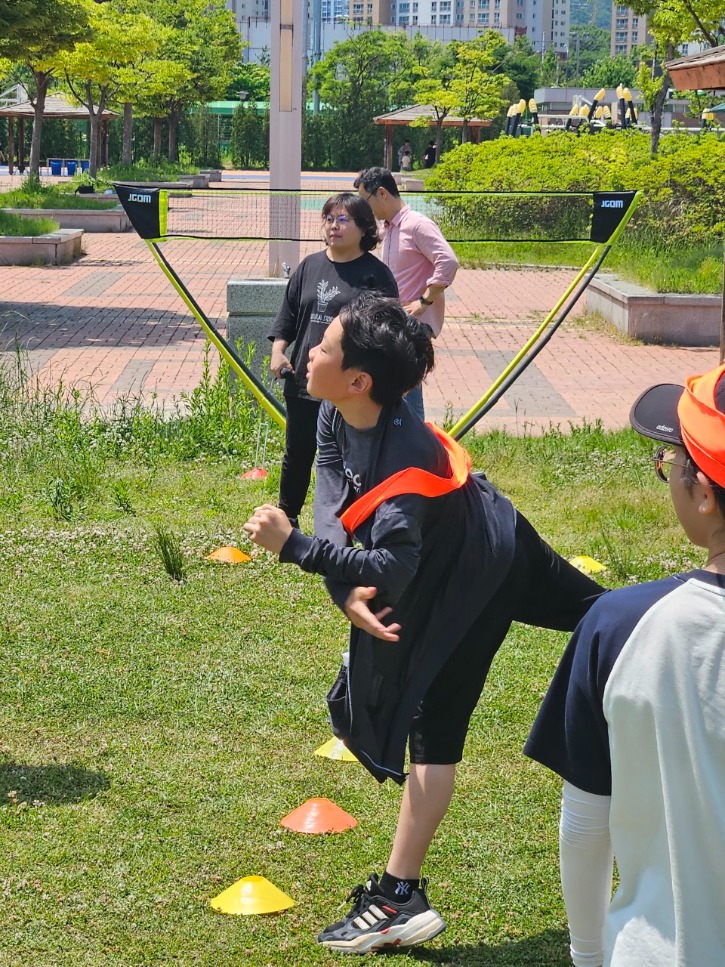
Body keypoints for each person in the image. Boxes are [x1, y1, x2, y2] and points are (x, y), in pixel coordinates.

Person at [245, 293, 606, 954]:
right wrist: (339, 580)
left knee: (441, 717)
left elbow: (393, 562)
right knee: (610, 619)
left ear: (359, 380)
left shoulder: (404, 458)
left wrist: (295, 548)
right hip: (457, 551)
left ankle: (398, 896)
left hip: (476, 567)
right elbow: (335, 498)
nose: (305, 352)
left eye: (320, 346)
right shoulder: (336, 412)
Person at [524, 363, 725, 967]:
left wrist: (588, 954)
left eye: (672, 463)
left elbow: (587, 826)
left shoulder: (620, 627)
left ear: (706, 494)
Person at [268, 192, 397, 526]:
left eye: (343, 220)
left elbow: (387, 332)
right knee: (298, 453)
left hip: (351, 387)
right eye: (329, 219)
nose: (333, 226)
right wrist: (278, 351)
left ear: (365, 228)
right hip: (306, 382)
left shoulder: (376, 275)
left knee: (350, 458)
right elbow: (288, 316)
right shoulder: (309, 266)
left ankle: (356, 522)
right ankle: (288, 519)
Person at [353, 166, 458, 420]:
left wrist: (424, 301)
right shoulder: (390, 228)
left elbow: (448, 261)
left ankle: (416, 450)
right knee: (397, 391)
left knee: (407, 395)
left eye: (365, 201)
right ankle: (404, 447)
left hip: (412, 324)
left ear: (382, 194)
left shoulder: (417, 225)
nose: (366, 210)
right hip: (395, 321)